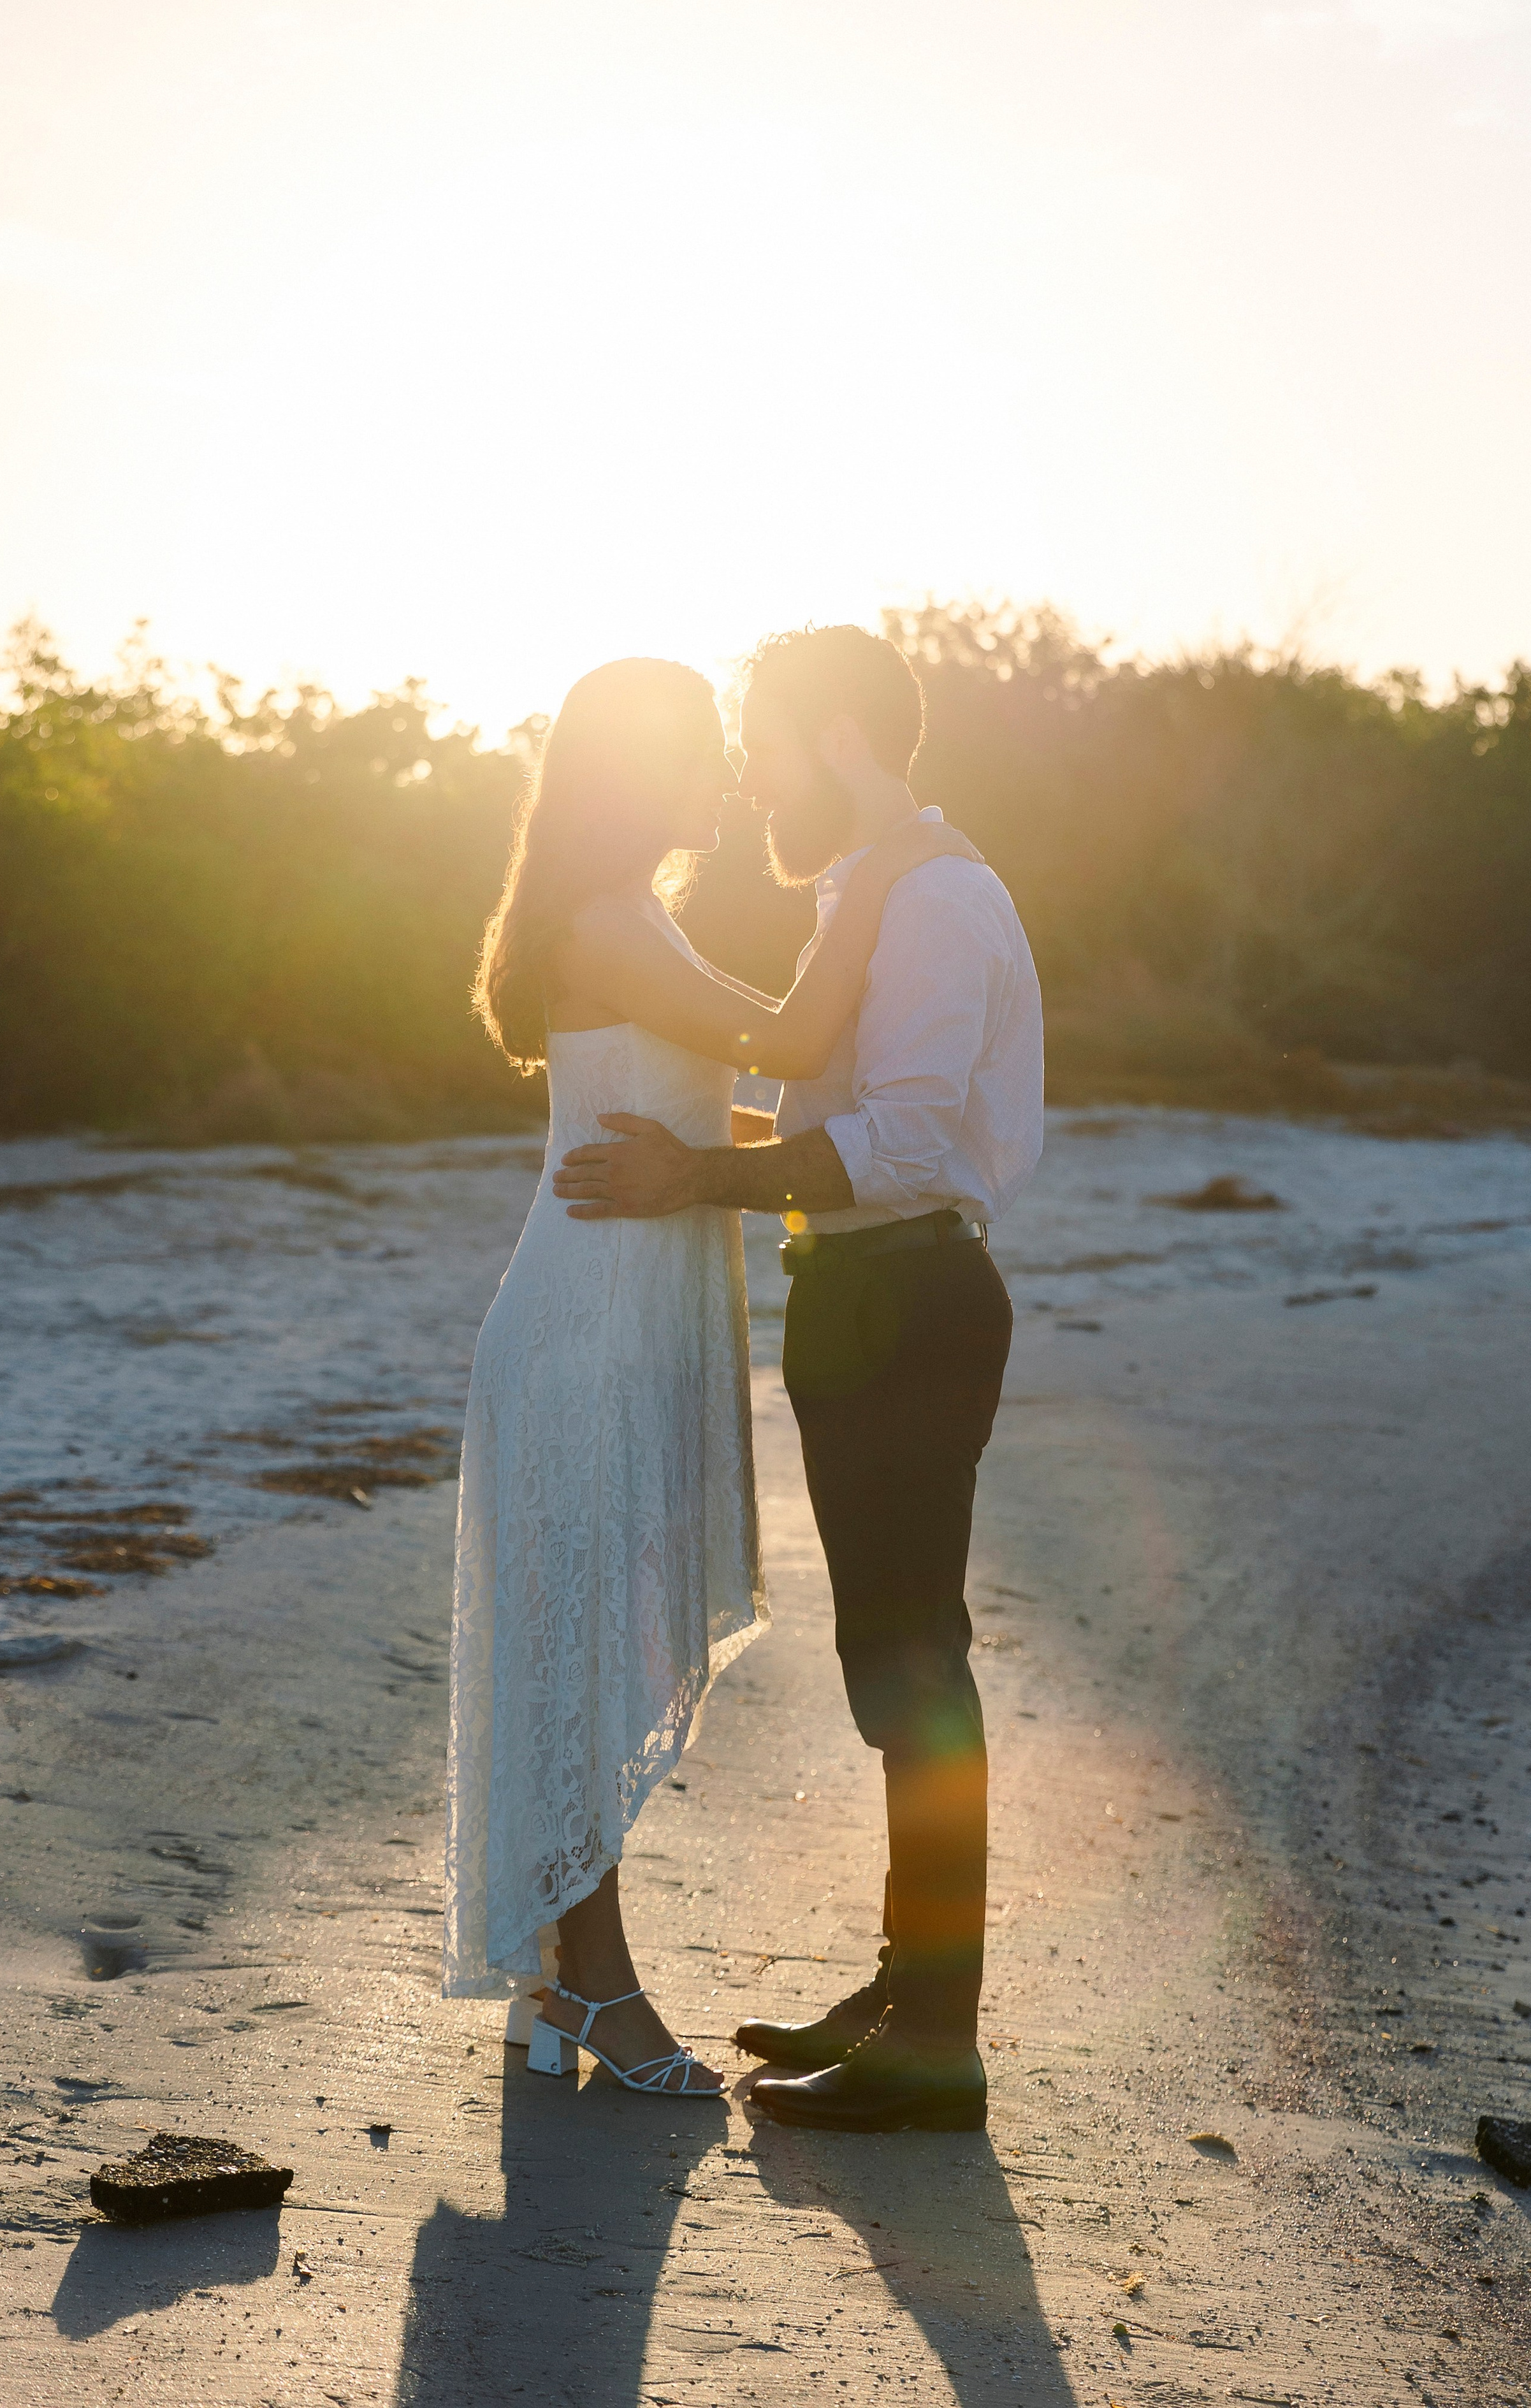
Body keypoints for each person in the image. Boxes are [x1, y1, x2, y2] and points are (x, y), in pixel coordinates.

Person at [442, 655, 976, 2100]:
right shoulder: (611, 923)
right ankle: (599, 1995)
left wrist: (765, 1148)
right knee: (580, 1658)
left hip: (623, 1304)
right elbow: (799, 1042)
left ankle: (557, 1984)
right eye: (702, 755)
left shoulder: (633, 924)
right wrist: (879, 878)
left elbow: (718, 1098)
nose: (731, 781)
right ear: (638, 775)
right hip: (592, 1322)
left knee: (583, 1650)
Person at [553, 626, 1045, 2132]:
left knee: (918, 1670)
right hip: (855, 1297)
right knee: (889, 1667)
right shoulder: (868, 891)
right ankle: (907, 1987)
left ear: (834, 736)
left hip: (908, 1293)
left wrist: (692, 1172)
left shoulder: (937, 901)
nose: (750, 775)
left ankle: (936, 2040)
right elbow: (823, 1084)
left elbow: (898, 1140)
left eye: (763, 740)